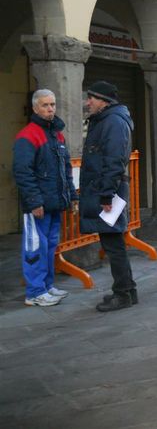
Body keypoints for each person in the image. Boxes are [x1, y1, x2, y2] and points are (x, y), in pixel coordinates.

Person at [13, 89, 78, 306]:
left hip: (54, 202)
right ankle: (34, 292)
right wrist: (34, 202)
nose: (50, 109)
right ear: (35, 108)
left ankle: (47, 286)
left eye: (52, 104)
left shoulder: (57, 135)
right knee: (35, 248)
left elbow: (65, 168)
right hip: (39, 205)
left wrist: (71, 196)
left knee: (50, 246)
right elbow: (23, 172)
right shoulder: (27, 136)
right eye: (45, 105)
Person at [79, 81, 136, 312]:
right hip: (105, 190)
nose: (88, 101)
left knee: (113, 244)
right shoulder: (107, 120)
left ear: (104, 100)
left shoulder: (112, 122)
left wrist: (106, 194)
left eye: (91, 97)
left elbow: (114, 160)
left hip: (107, 192)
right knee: (114, 242)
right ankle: (128, 290)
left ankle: (123, 294)